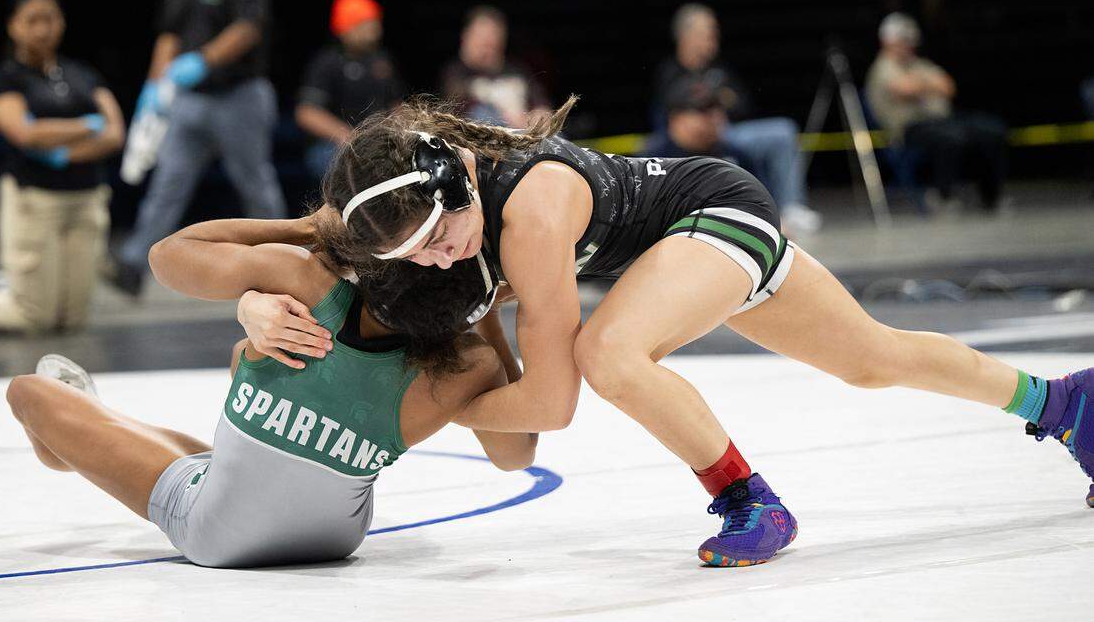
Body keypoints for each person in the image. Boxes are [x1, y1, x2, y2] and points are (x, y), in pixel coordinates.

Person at [236, 98, 1093, 568]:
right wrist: (251, 305)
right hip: (687, 238)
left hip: (715, 213)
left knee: (607, 352)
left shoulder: (528, 219)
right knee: (876, 359)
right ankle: (1064, 403)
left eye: (437, 242)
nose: (432, 264)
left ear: (458, 184)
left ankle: (747, 500)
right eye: (413, 256)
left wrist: (403, 403)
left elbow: (553, 405)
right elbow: (177, 253)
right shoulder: (410, 205)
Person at [4, 209, 536, 568]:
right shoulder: (470, 363)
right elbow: (516, 454)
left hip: (218, 532)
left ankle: (72, 442)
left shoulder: (306, 282)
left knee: (27, 392)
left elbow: (168, 254)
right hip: (338, 536)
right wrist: (485, 319)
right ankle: (109, 433)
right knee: (243, 374)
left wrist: (310, 227)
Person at [0, 0, 124, 333]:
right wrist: (84, 125)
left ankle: (8, 287)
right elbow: (24, 133)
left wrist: (60, 147)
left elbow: (114, 132)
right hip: (36, 201)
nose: (43, 29)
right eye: (32, 20)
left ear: (61, 22)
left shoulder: (81, 73)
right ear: (13, 25)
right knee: (35, 318)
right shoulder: (5, 78)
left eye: (50, 19)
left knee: (73, 319)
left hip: (85, 200)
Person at [109, 0, 287, 296]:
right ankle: (134, 264)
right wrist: (154, 84)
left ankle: (285, 260)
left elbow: (249, 27)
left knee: (255, 183)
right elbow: (169, 35)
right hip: (189, 99)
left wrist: (203, 60)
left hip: (240, 94)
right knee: (167, 183)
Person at [654, 3, 820, 235]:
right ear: (687, 36)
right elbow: (674, 111)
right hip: (690, 138)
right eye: (707, 33)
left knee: (782, 131)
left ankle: (791, 206)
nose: (713, 38)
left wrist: (717, 103)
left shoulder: (718, 69)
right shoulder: (670, 71)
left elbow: (741, 104)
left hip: (726, 131)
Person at [865, 13, 1008, 211]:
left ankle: (991, 196)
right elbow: (906, 89)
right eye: (903, 40)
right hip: (908, 129)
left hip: (941, 120)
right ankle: (943, 195)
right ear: (888, 40)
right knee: (951, 137)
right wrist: (929, 85)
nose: (908, 44)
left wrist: (920, 85)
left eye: (910, 40)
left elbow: (949, 87)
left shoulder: (918, 64)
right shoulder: (883, 67)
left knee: (991, 130)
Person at [295, 0, 405, 183]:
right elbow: (306, 113)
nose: (374, 29)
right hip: (334, 146)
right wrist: (350, 137)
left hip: (379, 143)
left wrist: (403, 132)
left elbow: (396, 106)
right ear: (346, 27)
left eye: (374, 22)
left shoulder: (382, 61)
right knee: (359, 168)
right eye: (365, 23)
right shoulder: (326, 63)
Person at [440, 6, 550, 127]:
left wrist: (538, 115)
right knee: (483, 113)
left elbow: (540, 103)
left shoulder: (517, 71)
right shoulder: (455, 72)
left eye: (492, 39)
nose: (487, 45)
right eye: (482, 38)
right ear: (467, 37)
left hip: (525, 132)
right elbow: (457, 102)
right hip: (486, 135)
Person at [641, 74, 750, 168]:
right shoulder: (653, 160)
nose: (715, 117)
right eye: (703, 110)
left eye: (718, 108)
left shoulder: (733, 154)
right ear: (676, 119)